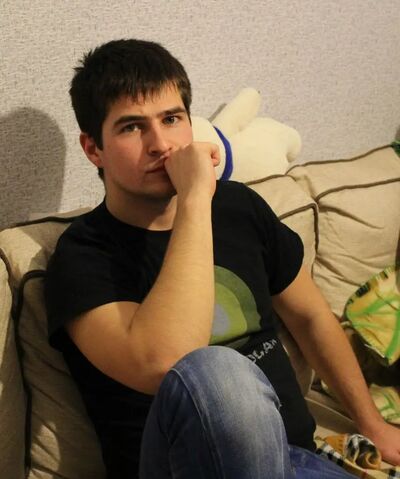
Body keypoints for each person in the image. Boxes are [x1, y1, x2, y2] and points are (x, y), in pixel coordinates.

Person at [44, 39, 400, 478]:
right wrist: (195, 198)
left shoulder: (238, 208)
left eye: (171, 119)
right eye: (131, 127)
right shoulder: (83, 256)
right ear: (93, 148)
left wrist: (372, 424)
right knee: (216, 369)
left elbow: (310, 317)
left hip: (295, 460)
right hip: (179, 469)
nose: (160, 144)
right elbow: (165, 361)